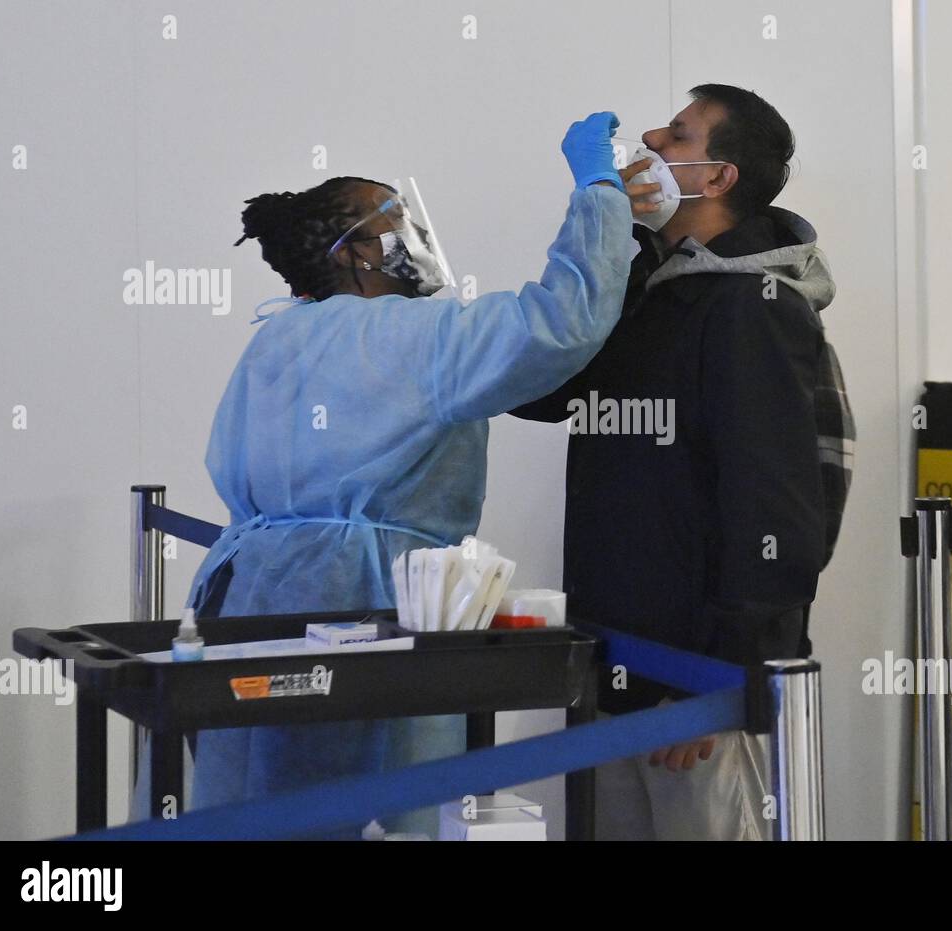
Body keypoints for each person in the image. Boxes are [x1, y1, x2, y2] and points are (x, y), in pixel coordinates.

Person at [174, 112, 632, 835]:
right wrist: (600, 194)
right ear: (357, 253)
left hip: (245, 598)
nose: (412, 238)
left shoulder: (278, 336)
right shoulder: (410, 337)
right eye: (394, 224)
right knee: (376, 806)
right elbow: (559, 323)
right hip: (364, 609)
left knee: (249, 801)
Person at [513, 85, 855, 840]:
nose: (649, 139)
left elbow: (779, 508)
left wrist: (724, 679)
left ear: (718, 176)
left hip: (694, 693)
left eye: (676, 134)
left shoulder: (754, 306)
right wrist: (607, 238)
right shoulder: (644, 293)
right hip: (613, 670)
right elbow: (534, 391)